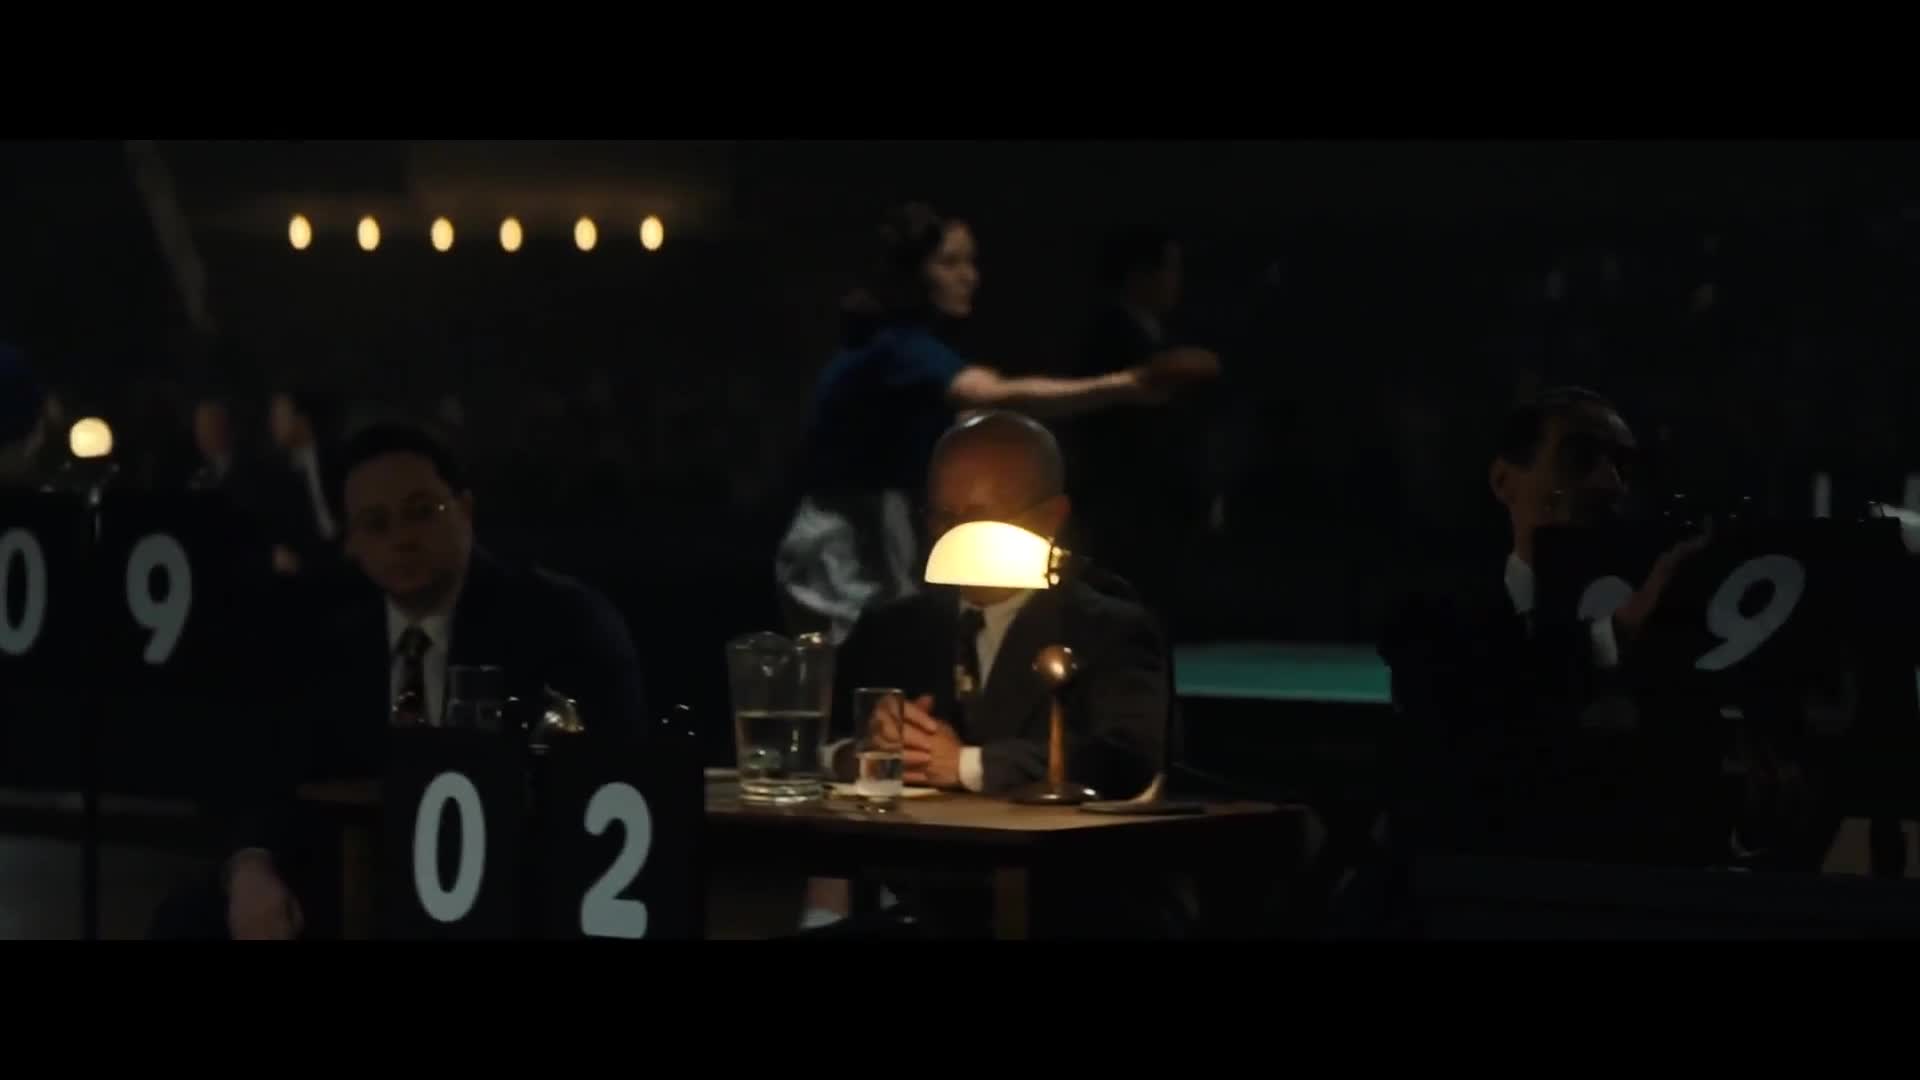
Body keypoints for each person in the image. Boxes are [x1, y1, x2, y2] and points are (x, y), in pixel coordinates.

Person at [151, 421, 647, 940]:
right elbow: (269, 773)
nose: (401, 540)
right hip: (359, 882)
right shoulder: (326, 635)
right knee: (191, 917)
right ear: (351, 542)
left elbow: (611, 782)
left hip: (512, 886)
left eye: (422, 512)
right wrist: (251, 869)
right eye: (375, 524)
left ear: (465, 510)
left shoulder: (561, 621)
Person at [776, 203, 1218, 645]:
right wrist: (1129, 383)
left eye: (970, 261)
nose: (968, 276)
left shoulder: (911, 351)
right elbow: (991, 393)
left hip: (879, 538)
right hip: (847, 547)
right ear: (910, 274)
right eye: (950, 262)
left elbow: (977, 413)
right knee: (860, 670)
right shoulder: (896, 349)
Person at [1378, 386, 1713, 868]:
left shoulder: (1666, 623)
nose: (1610, 483)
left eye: (1622, 466)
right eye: (1579, 458)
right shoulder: (1433, 612)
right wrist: (1611, 638)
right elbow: (1470, 740)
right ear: (1503, 481)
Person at [1061, 225, 1224, 616]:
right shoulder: (1111, 332)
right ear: (1139, 274)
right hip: (1129, 503)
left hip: (1158, 504)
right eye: (1170, 268)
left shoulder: (1157, 333)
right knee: (1130, 604)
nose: (1176, 281)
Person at [264, 389, 341, 577]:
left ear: (302, 420)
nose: (272, 425)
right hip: (305, 564)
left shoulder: (338, 456)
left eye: (280, 417)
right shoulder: (272, 473)